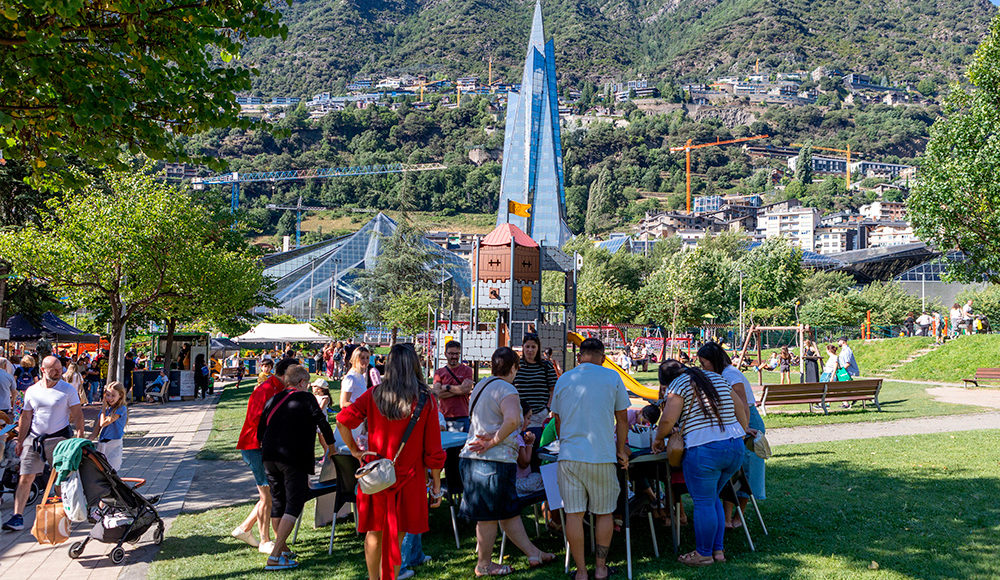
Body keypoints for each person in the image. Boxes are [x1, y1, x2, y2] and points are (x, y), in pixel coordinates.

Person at [337, 344, 447, 580]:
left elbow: (342, 421)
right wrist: (436, 485)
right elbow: (433, 450)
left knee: (374, 533)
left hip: (376, 475)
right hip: (409, 477)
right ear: (415, 365)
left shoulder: (374, 394)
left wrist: (356, 451)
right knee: (397, 536)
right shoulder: (425, 399)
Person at [458, 346, 554, 577]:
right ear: (513, 368)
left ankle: (533, 554)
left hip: (474, 458)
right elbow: (511, 420)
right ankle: (484, 565)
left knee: (508, 512)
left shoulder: (481, 385)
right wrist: (493, 441)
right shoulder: (508, 389)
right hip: (492, 461)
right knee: (489, 516)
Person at [652, 359, 749, 567]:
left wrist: (658, 439)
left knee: (704, 502)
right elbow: (740, 407)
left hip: (703, 448)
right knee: (713, 498)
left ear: (666, 381)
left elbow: (667, 420)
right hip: (734, 445)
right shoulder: (716, 378)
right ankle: (718, 550)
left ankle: (704, 553)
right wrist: (742, 431)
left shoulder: (678, 384)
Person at [552, 338, 629, 580]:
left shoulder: (564, 379)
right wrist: (621, 450)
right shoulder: (613, 377)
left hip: (569, 456)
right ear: (603, 357)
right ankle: (601, 568)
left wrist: (564, 442)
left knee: (573, 514)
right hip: (601, 455)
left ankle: (581, 571)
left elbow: (557, 419)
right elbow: (622, 420)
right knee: (604, 513)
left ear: (579, 356)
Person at [258, 364, 335, 571]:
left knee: (278, 501)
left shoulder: (274, 399)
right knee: (294, 503)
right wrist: (332, 447)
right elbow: (322, 423)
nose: (308, 387)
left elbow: (261, 428)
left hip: (269, 456)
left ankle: (282, 549)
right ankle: (275, 556)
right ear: (301, 382)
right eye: (307, 383)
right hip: (293, 457)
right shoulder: (306, 398)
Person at [3, 356, 85, 531]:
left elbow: (78, 415)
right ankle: (17, 517)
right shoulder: (32, 391)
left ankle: (65, 514)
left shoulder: (67, 389)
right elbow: (26, 417)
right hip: (34, 439)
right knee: (25, 477)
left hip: (59, 439)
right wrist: (20, 440)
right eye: (53, 369)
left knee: (60, 478)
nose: (58, 372)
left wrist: (79, 437)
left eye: (59, 369)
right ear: (42, 370)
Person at [696, 343, 765, 530]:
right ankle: (727, 518)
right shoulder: (721, 374)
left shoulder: (730, 374)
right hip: (736, 423)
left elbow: (742, 404)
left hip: (747, 422)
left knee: (746, 473)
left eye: (704, 364)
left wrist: (745, 428)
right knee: (733, 473)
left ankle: (738, 516)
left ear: (714, 361)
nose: (703, 368)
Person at [232, 358, 297, 554]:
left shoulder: (278, 388)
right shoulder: (267, 390)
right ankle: (264, 540)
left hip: (262, 446)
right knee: (267, 495)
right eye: (296, 373)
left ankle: (244, 529)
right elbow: (257, 420)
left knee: (268, 494)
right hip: (256, 446)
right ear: (287, 373)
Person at [512, 333, 557, 441]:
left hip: (540, 415)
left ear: (538, 348)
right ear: (523, 347)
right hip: (519, 415)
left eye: (533, 347)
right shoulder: (516, 366)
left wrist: (547, 408)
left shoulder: (546, 366)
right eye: (527, 346)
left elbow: (554, 390)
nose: (530, 350)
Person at [431, 340, 475, 433]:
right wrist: (459, 390)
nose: (454, 356)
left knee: (462, 441)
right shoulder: (439, 372)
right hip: (444, 417)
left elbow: (466, 390)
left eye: (456, 354)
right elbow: (437, 394)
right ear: (445, 354)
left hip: (462, 415)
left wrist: (447, 387)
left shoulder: (467, 370)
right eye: (451, 353)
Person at [93, 381, 128, 471]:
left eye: (113, 395)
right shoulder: (106, 410)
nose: (110, 398)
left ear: (120, 395)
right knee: (100, 470)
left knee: (112, 470)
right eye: (108, 395)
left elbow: (103, 423)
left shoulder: (121, 409)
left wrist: (103, 409)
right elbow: (96, 431)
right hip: (103, 442)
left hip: (114, 443)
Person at [514, 402, 543, 496]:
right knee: (546, 478)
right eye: (528, 418)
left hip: (517, 481)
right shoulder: (516, 437)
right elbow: (524, 463)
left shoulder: (514, 435)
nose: (530, 422)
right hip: (519, 483)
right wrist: (530, 444)